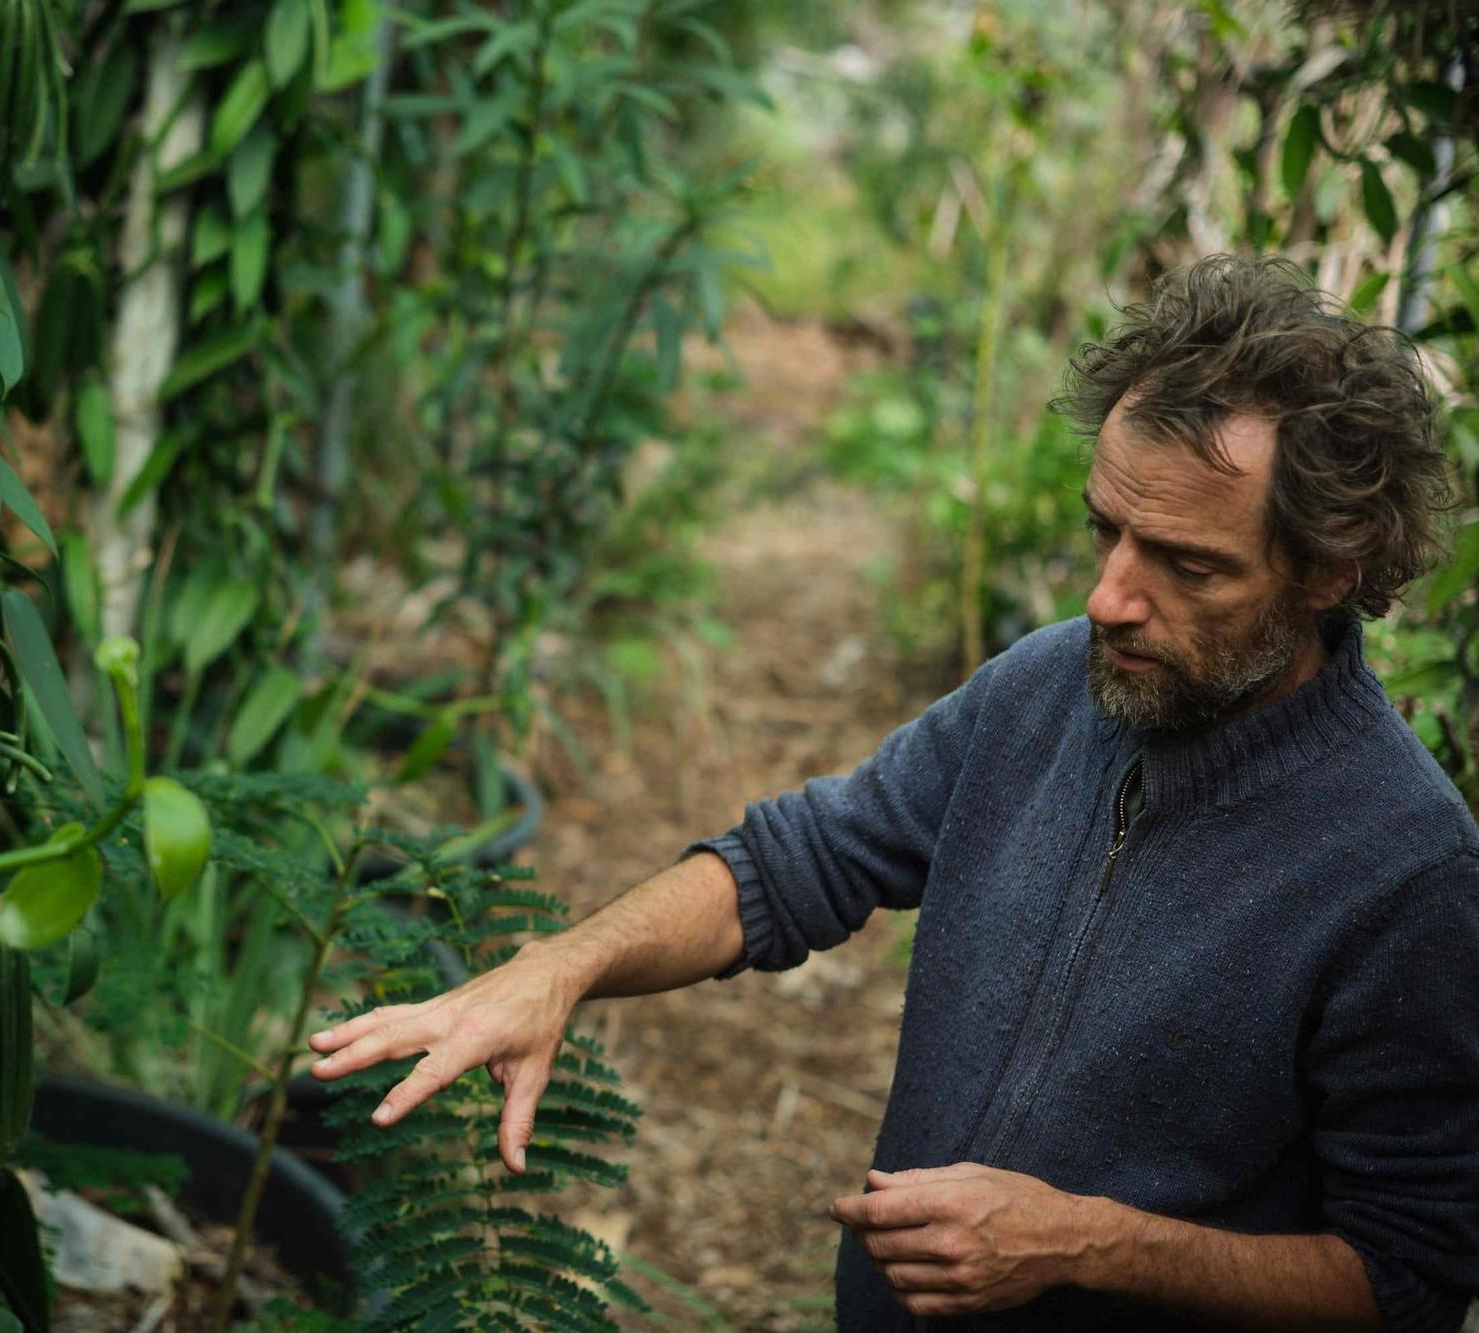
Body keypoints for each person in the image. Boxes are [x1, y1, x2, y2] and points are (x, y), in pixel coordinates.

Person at [306, 255, 1479, 1332]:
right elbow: (791, 865)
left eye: (1185, 563)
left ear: (1331, 567)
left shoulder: (1404, 872)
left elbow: (1407, 1278)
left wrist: (1087, 1245)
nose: (1111, 597)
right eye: (1106, 531)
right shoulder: (1045, 688)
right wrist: (557, 966)